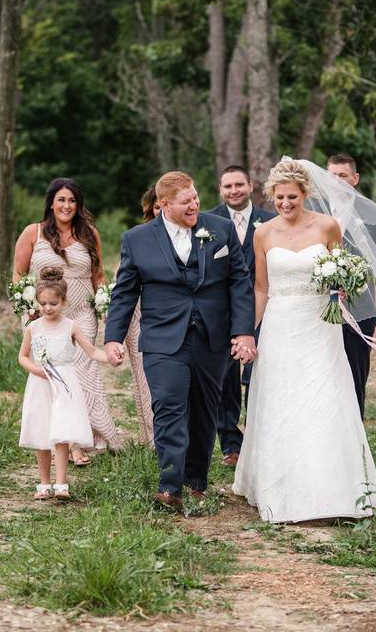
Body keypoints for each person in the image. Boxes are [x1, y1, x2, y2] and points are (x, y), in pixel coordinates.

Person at [232, 159, 376, 523]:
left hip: (320, 325)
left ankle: (334, 488)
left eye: (292, 197)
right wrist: (248, 333)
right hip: (281, 325)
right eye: (280, 198)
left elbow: (341, 273)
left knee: (324, 396)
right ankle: (279, 488)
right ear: (272, 196)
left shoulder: (328, 227)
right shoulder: (263, 234)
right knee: (281, 399)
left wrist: (341, 288)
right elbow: (261, 289)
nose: (286, 204)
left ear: (305, 194)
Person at [103, 171, 256, 512]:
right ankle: (169, 486)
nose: (195, 205)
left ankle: (196, 482)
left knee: (204, 410)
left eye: (196, 198)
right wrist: (113, 337)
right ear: (164, 205)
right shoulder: (137, 239)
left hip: (212, 338)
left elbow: (240, 283)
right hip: (161, 339)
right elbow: (125, 293)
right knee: (169, 407)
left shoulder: (221, 229)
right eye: (186, 202)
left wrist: (244, 331)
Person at [13, 178, 123, 465]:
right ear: (51, 202)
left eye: (72, 200)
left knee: (82, 374)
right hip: (44, 314)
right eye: (61, 200)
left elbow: (98, 276)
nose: (66, 205)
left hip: (81, 313)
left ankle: (77, 442)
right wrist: (27, 308)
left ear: (78, 204)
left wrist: (106, 307)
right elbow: (19, 275)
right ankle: (58, 436)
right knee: (54, 376)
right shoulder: (33, 233)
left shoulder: (89, 234)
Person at [204, 165, 277, 466]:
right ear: (220, 190)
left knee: (263, 375)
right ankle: (231, 445)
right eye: (227, 186)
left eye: (239, 185)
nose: (233, 191)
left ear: (250, 186)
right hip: (222, 311)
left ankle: (264, 438)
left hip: (266, 309)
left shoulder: (271, 221)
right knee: (226, 380)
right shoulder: (207, 222)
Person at [18, 267, 110, 501]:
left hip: (64, 385)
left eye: (53, 303)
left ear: (64, 301)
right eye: (43, 303)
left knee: (61, 433)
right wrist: (37, 370)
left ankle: (61, 483)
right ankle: (44, 483)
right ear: (37, 301)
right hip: (41, 384)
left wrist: (109, 357)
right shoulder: (33, 327)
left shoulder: (71, 326)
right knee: (41, 432)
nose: (47, 308)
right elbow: (23, 357)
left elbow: (91, 352)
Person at [326, 153, 376, 420]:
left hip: (360, 312)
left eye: (342, 176)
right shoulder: (312, 212)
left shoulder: (371, 217)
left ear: (355, 179)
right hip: (316, 312)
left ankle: (354, 448)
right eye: (331, 176)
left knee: (354, 379)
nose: (336, 182)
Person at [122, 185, 159, 448]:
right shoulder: (138, 239)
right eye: (157, 207)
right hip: (140, 317)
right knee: (144, 377)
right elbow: (124, 286)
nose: (162, 212)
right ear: (150, 209)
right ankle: (151, 434)